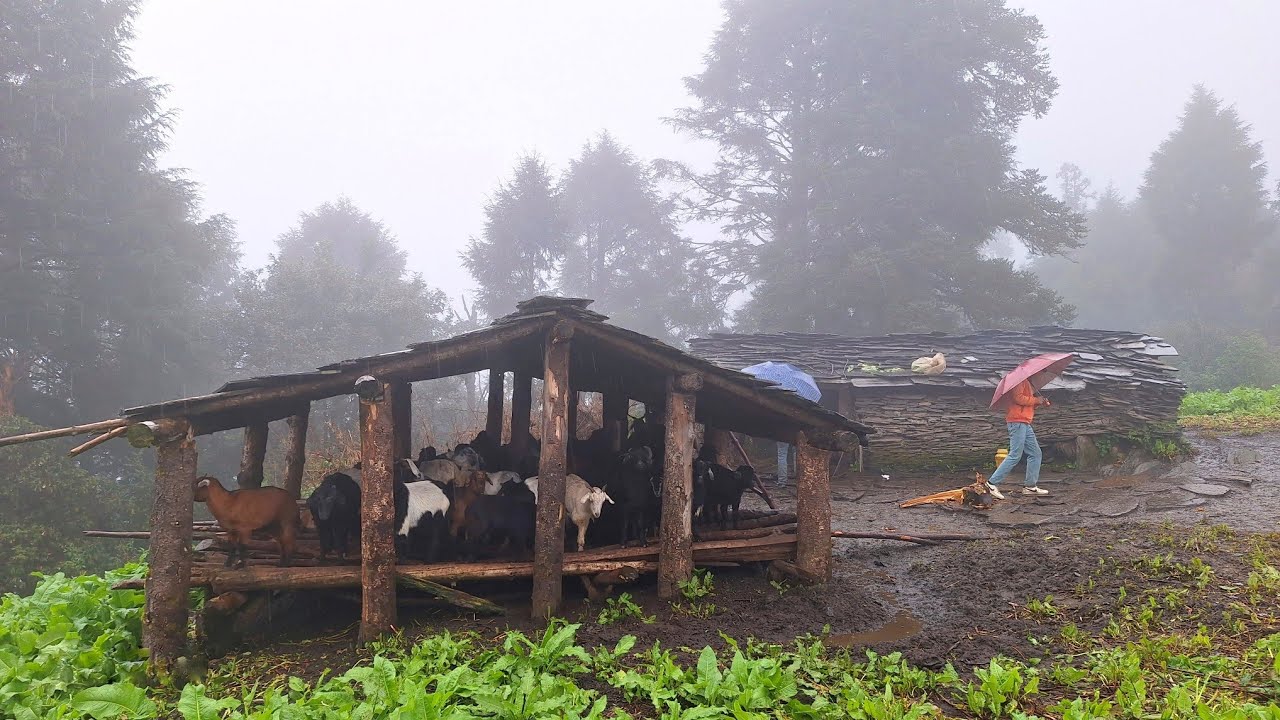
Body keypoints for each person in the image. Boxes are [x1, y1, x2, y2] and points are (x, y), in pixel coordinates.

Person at [987, 378, 1050, 499]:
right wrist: (1036, 399)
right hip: (1017, 421)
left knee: (1035, 453)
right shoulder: (1018, 381)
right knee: (1015, 454)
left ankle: (1030, 486)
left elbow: (1026, 405)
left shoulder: (1027, 382)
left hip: (1024, 422)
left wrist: (1039, 402)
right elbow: (1018, 398)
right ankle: (991, 484)